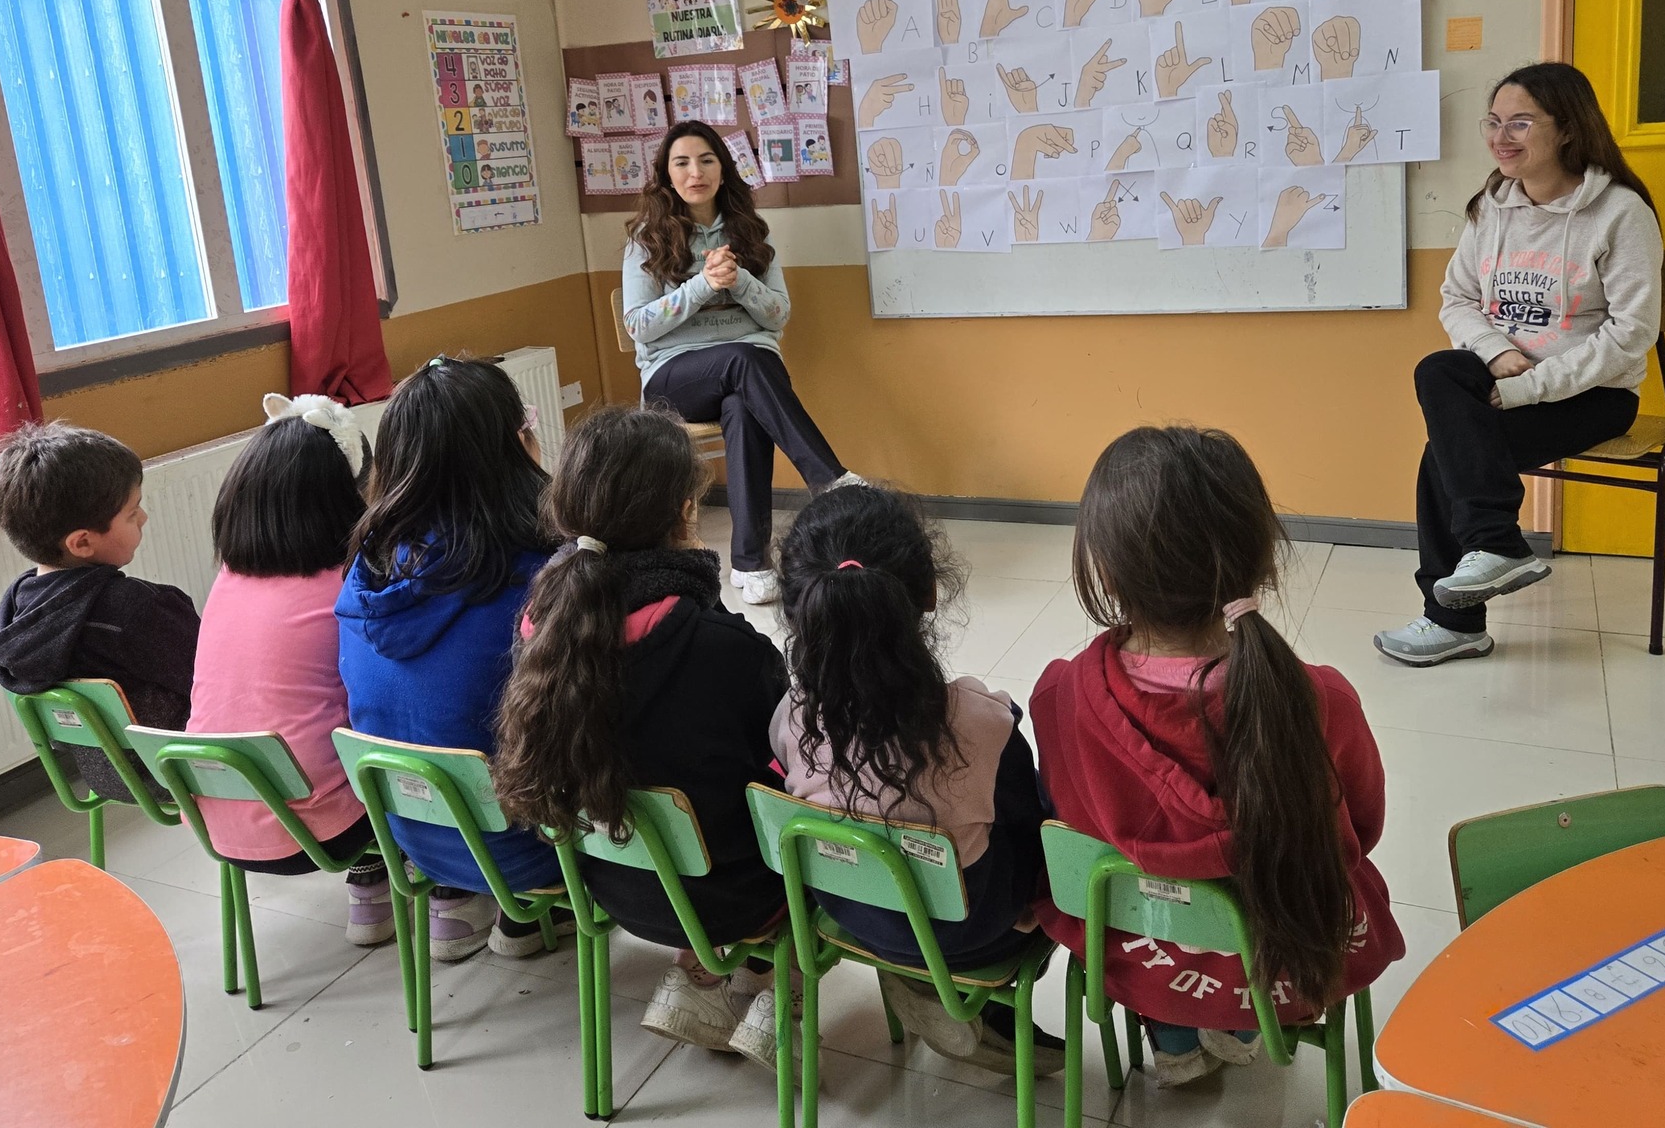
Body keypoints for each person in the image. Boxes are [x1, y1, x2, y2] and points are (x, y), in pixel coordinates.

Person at [1033, 426, 1403, 1085]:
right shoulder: (1323, 700)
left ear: (1106, 570)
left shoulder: (1062, 694)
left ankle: (1174, 1040)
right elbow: (1361, 831)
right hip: (1288, 959)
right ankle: (1240, 1026)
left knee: (1159, 911)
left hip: (1138, 950)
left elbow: (1076, 816)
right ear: (1258, 560)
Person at [494, 406, 790, 1072]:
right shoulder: (724, 647)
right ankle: (780, 990)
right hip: (732, 895)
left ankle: (702, 977)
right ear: (685, 514)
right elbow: (789, 770)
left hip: (610, 885)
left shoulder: (542, 626)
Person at [1375, 62, 1662, 666]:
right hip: (1508, 374)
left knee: (1443, 455)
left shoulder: (1620, 213)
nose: (1501, 137)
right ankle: (1496, 542)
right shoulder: (1491, 209)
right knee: (1438, 370)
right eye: (1494, 122)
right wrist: (1501, 356)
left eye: (1521, 123)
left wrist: (1533, 387)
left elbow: (1632, 333)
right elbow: (1456, 298)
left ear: (1566, 129)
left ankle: (1454, 621)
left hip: (1593, 394)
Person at [773, 484, 1060, 1077]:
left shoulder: (790, 716)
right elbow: (1034, 836)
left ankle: (928, 990)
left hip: (850, 911)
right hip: (972, 934)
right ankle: (961, 1002)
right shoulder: (981, 723)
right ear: (929, 594)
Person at [335, 356, 564, 963]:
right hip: (526, 849)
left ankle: (472, 908)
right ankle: (529, 916)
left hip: (413, 838)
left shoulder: (366, 570)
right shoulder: (544, 579)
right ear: (515, 446)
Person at [622, 121, 859, 606]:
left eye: (706, 160)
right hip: (673, 376)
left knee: (743, 404)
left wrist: (740, 282)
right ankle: (830, 481)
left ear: (723, 168)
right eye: (681, 163)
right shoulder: (647, 239)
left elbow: (779, 314)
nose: (695, 172)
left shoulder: (750, 232)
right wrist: (702, 286)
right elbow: (638, 327)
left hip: (749, 374)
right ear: (666, 176)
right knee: (745, 359)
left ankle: (751, 565)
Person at [187, 394, 392, 947]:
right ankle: (436, 894)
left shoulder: (229, 578)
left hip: (217, 816)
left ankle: (372, 890)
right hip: (315, 826)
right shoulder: (347, 584)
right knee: (398, 718)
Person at [0, 422, 199, 806]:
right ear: (82, 542)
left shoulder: (16, 608)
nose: (143, 518)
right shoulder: (136, 609)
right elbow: (213, 681)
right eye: (132, 513)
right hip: (181, 770)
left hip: (103, 774)